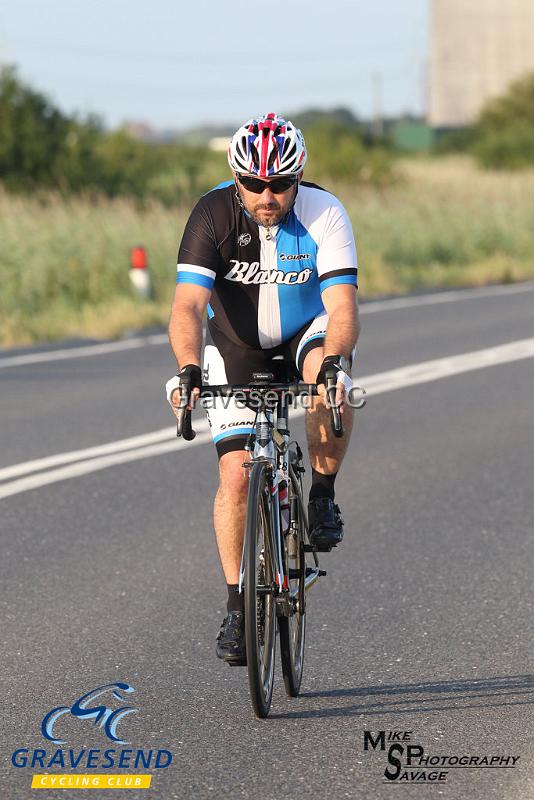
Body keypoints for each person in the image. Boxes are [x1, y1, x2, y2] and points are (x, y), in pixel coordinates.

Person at [166, 112, 360, 665]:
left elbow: (342, 307)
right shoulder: (212, 213)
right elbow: (188, 305)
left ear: (298, 178)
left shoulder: (326, 212)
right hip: (236, 347)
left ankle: (321, 496)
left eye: (280, 183)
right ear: (237, 179)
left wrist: (334, 363)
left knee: (331, 378)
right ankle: (236, 606)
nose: (267, 194)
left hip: (306, 334)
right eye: (254, 184)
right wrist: (188, 367)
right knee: (235, 474)